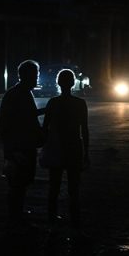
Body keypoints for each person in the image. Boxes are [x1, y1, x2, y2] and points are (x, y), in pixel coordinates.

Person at [40, 69, 89, 230]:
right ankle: (75, 224)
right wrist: (86, 153)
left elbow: (45, 128)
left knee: (54, 187)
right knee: (74, 189)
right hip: (74, 147)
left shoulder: (53, 103)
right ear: (73, 83)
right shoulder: (80, 104)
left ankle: (52, 221)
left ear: (58, 83)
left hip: (56, 147)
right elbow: (84, 130)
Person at [0, 60, 45, 231]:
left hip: (20, 146)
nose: (36, 79)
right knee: (18, 184)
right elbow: (11, 123)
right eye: (35, 75)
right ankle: (15, 219)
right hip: (20, 147)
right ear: (27, 76)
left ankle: (16, 217)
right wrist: (12, 150)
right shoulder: (19, 95)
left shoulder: (18, 93)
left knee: (19, 184)